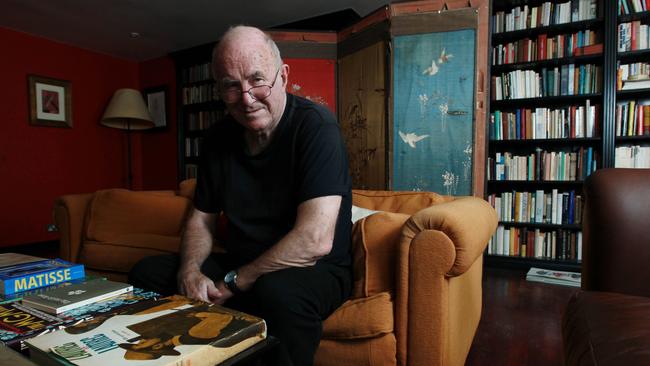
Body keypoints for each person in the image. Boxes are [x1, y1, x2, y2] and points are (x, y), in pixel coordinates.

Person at [129, 25, 353, 366]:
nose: (246, 98)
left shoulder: (316, 127)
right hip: (243, 262)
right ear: (219, 88)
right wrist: (190, 271)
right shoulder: (218, 138)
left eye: (257, 79)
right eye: (231, 85)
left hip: (315, 270)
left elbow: (315, 240)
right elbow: (201, 219)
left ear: (284, 76)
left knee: (278, 293)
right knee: (148, 272)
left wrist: (235, 282)